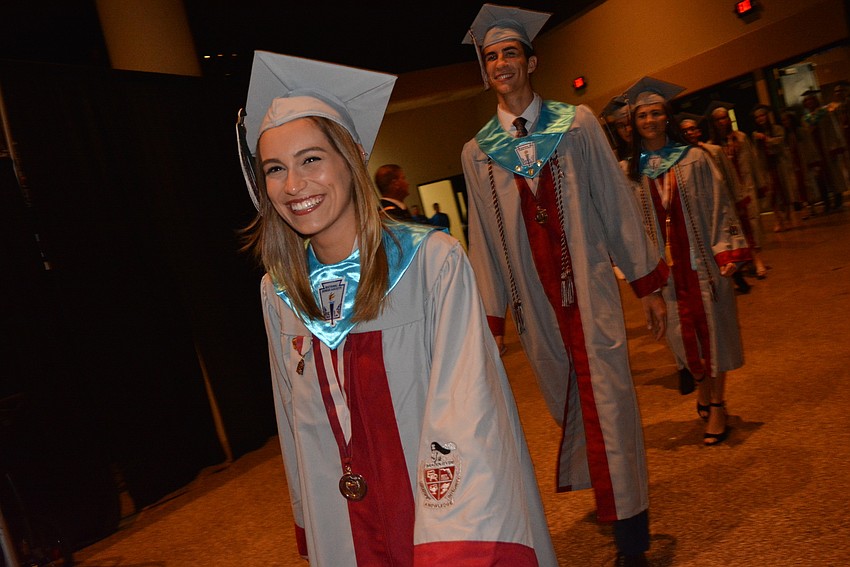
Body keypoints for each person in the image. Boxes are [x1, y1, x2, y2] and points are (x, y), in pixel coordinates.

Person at [236, 50, 557, 566]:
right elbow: (293, 425)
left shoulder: (432, 263)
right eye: (275, 169)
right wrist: (308, 517)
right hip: (340, 521)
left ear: (353, 155)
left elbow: (467, 411)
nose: (293, 186)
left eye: (311, 159)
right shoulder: (279, 292)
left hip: (436, 518)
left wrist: (454, 538)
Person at [460, 6, 669, 566]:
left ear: (531, 60)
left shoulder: (575, 124)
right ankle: (612, 499)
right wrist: (490, 319)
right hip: (538, 309)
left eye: (509, 53)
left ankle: (633, 539)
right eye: (490, 57)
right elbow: (482, 240)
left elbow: (615, 204)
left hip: (591, 293)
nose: (501, 63)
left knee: (613, 403)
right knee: (569, 402)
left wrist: (648, 283)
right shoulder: (477, 153)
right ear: (484, 72)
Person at [624, 77, 750, 448]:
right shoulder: (629, 171)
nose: (649, 120)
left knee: (715, 333)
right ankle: (702, 389)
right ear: (634, 123)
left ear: (667, 117)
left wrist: (726, 249)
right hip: (665, 272)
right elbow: (627, 224)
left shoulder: (695, 159)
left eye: (655, 113)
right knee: (682, 337)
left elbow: (719, 204)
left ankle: (717, 403)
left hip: (703, 264)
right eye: (642, 115)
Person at [677, 112, 753, 294]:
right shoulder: (679, 159)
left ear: (699, 131)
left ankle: (741, 275)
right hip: (701, 211)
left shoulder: (713, 150)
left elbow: (729, 176)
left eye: (692, 129)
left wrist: (738, 199)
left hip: (721, 204)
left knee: (729, 238)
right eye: (684, 131)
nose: (689, 133)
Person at [706, 100, 770, 279]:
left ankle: (758, 259)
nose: (722, 122)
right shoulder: (712, 146)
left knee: (753, 223)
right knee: (736, 228)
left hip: (746, 188)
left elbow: (753, 162)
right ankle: (745, 260)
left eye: (724, 118)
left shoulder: (741, 138)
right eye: (718, 119)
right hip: (728, 193)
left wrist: (760, 184)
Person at [750, 104, 799, 232]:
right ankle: (778, 219)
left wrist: (766, 139)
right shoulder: (755, 134)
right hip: (766, 166)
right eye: (758, 117)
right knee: (772, 194)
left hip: (780, 164)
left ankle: (788, 217)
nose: (761, 118)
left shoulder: (777, 129)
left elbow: (780, 143)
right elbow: (756, 152)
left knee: (785, 190)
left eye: (762, 115)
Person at [802, 88, 847, 213]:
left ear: (816, 101)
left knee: (834, 176)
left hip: (827, 148)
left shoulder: (825, 113)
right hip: (815, 151)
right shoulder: (806, 119)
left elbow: (832, 129)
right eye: (807, 101)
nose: (809, 102)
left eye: (811, 100)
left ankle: (838, 200)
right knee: (820, 179)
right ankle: (826, 202)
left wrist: (834, 146)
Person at [781, 109, 819, 217]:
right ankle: (805, 209)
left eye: (787, 120)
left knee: (809, 185)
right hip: (794, 164)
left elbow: (809, 146)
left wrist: (813, 162)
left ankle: (813, 208)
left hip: (804, 161)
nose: (785, 122)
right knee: (798, 187)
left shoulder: (801, 131)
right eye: (783, 120)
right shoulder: (786, 136)